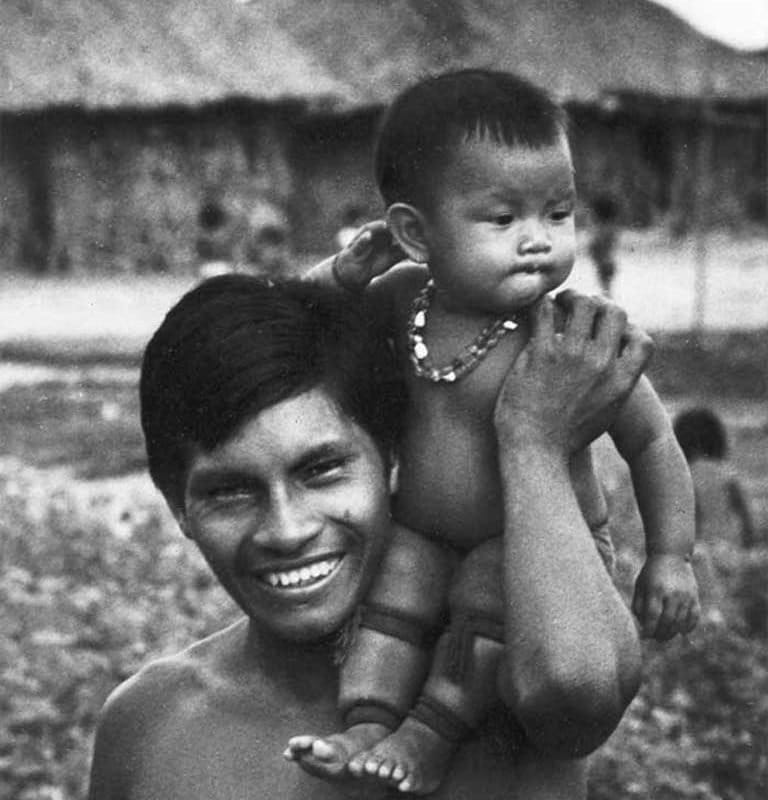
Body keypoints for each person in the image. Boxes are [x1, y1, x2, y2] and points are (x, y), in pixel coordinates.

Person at [88, 274, 651, 800]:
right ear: (178, 507)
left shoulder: (490, 677)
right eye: (230, 492)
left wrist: (533, 444)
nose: (286, 531)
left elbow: (576, 689)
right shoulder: (150, 724)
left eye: (321, 470)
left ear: (392, 458)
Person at [295, 68, 699, 794]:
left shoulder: (572, 336)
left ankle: (428, 737)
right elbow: (302, 320)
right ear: (415, 233)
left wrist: (671, 556)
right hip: (423, 530)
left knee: (487, 602)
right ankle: (366, 724)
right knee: (392, 601)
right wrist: (343, 272)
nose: (538, 241)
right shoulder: (400, 300)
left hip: (533, 551)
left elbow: (653, 441)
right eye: (504, 219)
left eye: (558, 213)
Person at [673, 407, 756, 549]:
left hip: (701, 545)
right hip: (728, 543)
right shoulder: (727, 473)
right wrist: (748, 541)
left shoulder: (688, 474)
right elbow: (744, 513)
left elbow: (693, 516)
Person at [587, 193, 621, 297]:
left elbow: (597, 246)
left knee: (605, 288)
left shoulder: (602, 230)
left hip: (604, 263)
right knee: (606, 288)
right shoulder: (612, 228)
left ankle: (607, 299)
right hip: (607, 262)